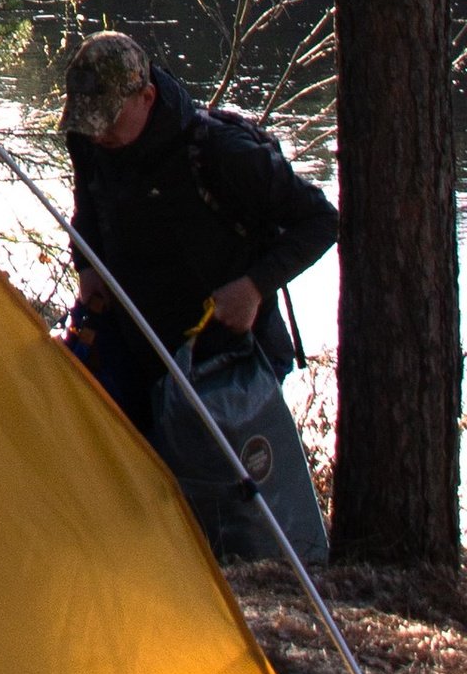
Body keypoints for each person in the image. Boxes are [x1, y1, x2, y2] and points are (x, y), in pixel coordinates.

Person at [59, 30, 337, 439]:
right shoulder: (89, 142)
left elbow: (322, 221)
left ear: (148, 97)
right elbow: (87, 209)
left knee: (209, 493)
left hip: (224, 365)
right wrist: (86, 264)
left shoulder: (223, 153)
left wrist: (254, 286)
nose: (97, 133)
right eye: (87, 121)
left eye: (108, 119)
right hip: (138, 349)